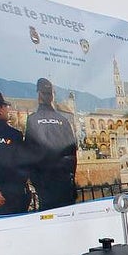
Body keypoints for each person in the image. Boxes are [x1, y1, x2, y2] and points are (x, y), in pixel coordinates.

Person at [25, 78, 79, 210]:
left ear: (39, 95)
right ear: (51, 96)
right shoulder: (63, 120)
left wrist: (36, 180)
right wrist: (70, 177)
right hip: (64, 182)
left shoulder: (33, 120)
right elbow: (72, 152)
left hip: (45, 184)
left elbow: (28, 153)